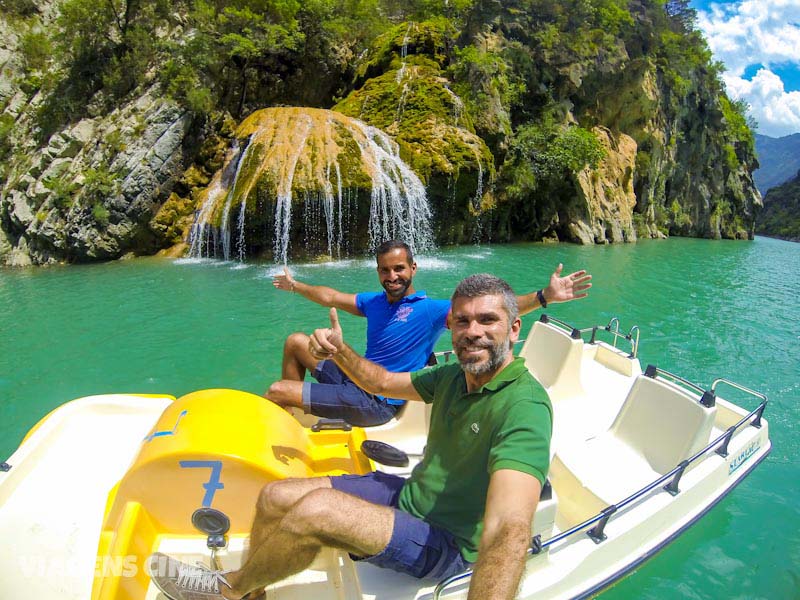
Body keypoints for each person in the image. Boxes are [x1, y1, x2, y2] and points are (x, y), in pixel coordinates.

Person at [150, 274, 552, 600]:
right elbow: (380, 381)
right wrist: (340, 351)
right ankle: (255, 591)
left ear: (514, 328)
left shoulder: (525, 407)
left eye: (487, 320)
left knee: (315, 510)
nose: (472, 332)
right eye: (462, 321)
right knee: (275, 497)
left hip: (447, 544)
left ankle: (229, 591)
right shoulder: (451, 376)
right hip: (408, 498)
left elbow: (507, 528)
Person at [266, 239, 590, 426]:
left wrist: (544, 297)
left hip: (378, 400)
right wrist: (296, 286)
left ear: (413, 269)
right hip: (356, 380)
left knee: (278, 390)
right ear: (378, 272)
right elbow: (330, 296)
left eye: (399, 269)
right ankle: (297, 422)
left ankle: (286, 424)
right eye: (385, 270)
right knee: (295, 342)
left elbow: (488, 309)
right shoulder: (373, 302)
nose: (392, 276)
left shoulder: (432, 310)